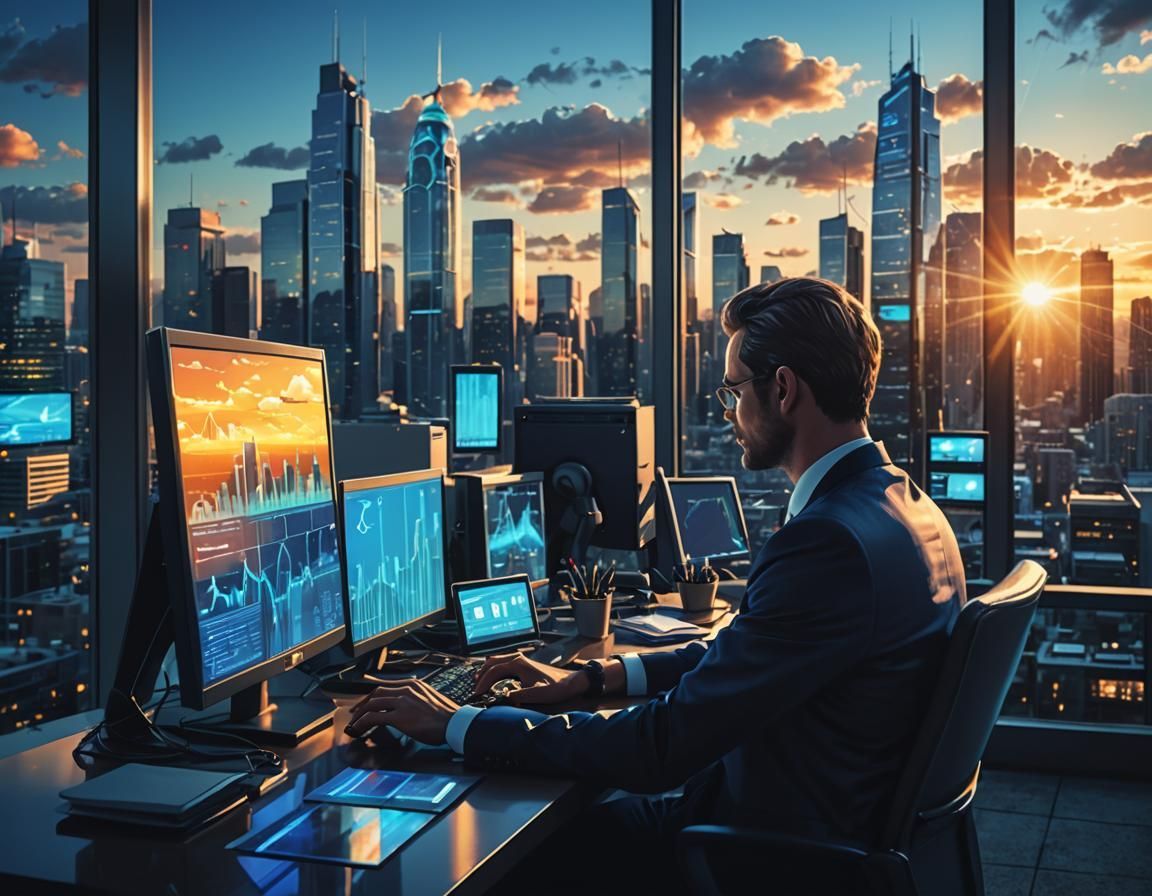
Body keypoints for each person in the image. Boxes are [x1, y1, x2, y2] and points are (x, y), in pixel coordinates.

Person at [347, 277, 966, 891]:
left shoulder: (828, 541)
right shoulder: (904, 508)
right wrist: (596, 677)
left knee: (509, 854)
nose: (727, 415)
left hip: (769, 850)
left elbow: (661, 747)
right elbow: (752, 654)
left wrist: (459, 725)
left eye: (732, 392)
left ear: (782, 389)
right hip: (830, 825)